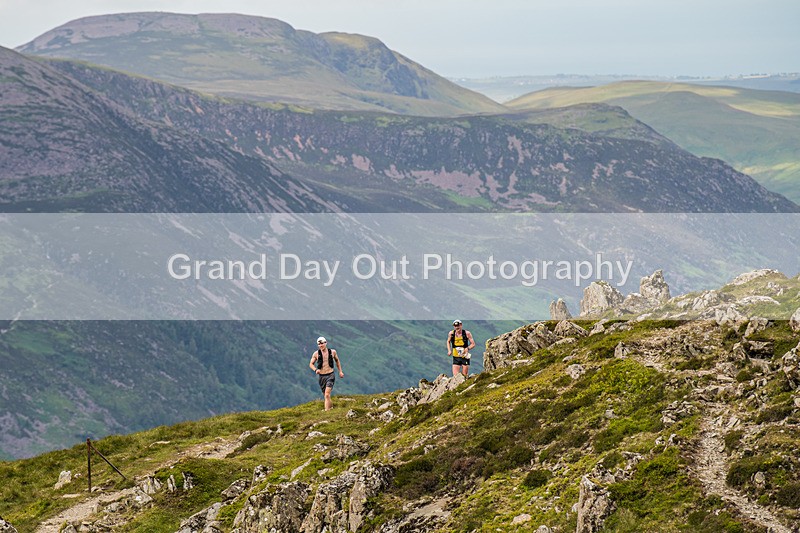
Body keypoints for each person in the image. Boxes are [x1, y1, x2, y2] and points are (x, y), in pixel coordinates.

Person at [309, 336, 344, 411]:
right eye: (319, 344)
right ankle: (331, 408)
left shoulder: (332, 352)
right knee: (326, 395)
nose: (321, 345)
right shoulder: (316, 354)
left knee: (327, 394)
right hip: (321, 376)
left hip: (330, 375)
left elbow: (337, 361)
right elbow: (311, 364)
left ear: (326, 343)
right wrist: (315, 370)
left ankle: (327, 411)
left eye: (322, 343)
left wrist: (340, 371)